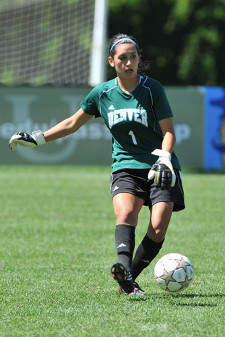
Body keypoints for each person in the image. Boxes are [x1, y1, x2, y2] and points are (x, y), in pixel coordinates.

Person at [9, 33, 185, 296]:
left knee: (158, 228)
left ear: (138, 59)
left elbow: (169, 131)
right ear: (111, 61)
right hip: (125, 165)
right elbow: (72, 123)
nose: (129, 63)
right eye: (122, 58)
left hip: (160, 165)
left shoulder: (152, 89)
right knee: (126, 215)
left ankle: (127, 278)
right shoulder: (102, 93)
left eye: (133, 57)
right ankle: (124, 272)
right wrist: (37, 139)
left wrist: (164, 158)